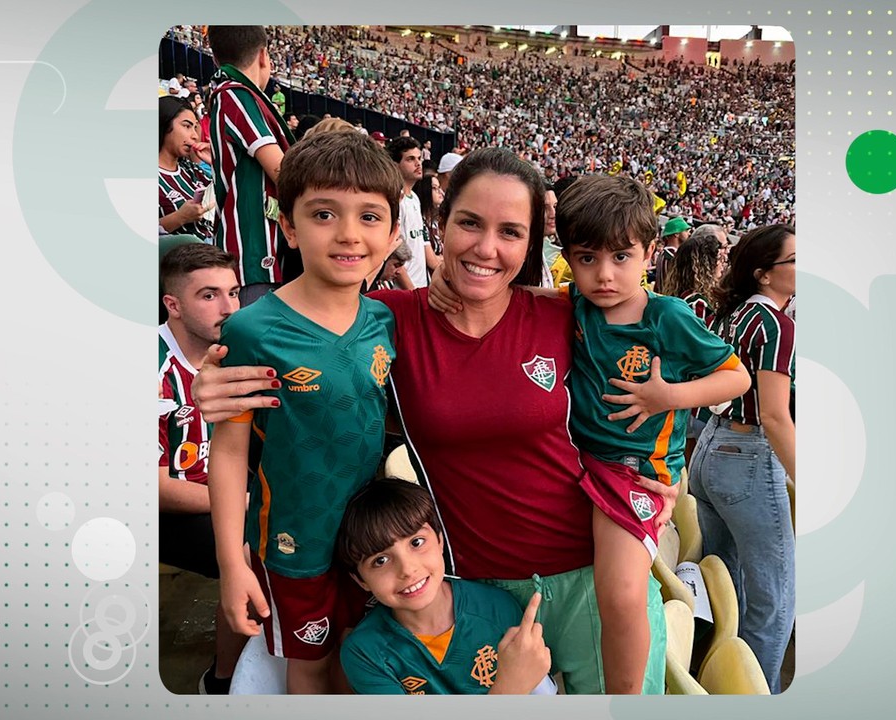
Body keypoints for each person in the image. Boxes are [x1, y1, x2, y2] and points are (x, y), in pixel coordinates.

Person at [195, 149, 679, 694]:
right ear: (440, 222)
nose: (486, 248)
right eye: (470, 223)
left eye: (511, 232)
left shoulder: (569, 315)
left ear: (531, 245)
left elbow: (658, 360)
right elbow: (302, 356)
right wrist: (209, 382)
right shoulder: (391, 318)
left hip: (590, 576)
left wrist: (663, 472)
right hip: (468, 591)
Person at [207, 131, 403, 694]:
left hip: (371, 540)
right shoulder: (252, 330)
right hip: (294, 543)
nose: (348, 234)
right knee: (309, 666)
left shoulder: (384, 321)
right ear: (288, 225)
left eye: (369, 217)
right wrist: (231, 562)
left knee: (360, 654)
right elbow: (229, 452)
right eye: (323, 214)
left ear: (392, 233)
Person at [550, 176, 749, 693]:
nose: (604, 274)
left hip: (638, 473)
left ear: (651, 254)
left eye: (621, 257)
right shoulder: (576, 304)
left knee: (620, 595)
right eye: (587, 258)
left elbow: (736, 377)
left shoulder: (667, 315)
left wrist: (667, 397)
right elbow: (534, 296)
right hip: (583, 464)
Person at [688, 223, 796, 694]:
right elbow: (773, 416)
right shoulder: (776, 324)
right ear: (766, 274)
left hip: (711, 448)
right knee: (774, 600)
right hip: (748, 454)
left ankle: (717, 678)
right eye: (795, 260)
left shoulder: (738, 314)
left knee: (726, 582)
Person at [335, 478, 553, 695]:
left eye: (416, 542)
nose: (408, 569)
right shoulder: (365, 652)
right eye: (380, 560)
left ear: (440, 539)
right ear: (360, 579)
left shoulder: (495, 607)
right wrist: (509, 690)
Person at [158, 242, 247, 694]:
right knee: (252, 550)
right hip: (167, 510)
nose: (230, 307)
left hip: (223, 486)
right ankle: (222, 682)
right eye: (209, 295)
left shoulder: (235, 347)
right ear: (172, 305)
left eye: (233, 292)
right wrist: (243, 501)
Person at [205, 26, 294, 306]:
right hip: (255, 253)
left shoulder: (234, 94)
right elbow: (283, 172)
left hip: (266, 254)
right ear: (264, 55)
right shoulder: (234, 94)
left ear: (216, 59)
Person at [158, 96, 215, 242]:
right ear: (164, 124)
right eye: (187, 126)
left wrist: (216, 163)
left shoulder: (191, 169)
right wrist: (180, 217)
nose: (195, 136)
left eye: (195, 128)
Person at [386, 136, 436, 288]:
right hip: (403, 291)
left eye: (419, 158)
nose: (418, 163)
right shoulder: (395, 200)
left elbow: (422, 244)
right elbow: (395, 252)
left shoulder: (414, 198)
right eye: (410, 159)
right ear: (395, 165)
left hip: (421, 285)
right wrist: (411, 291)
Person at [662, 224, 727, 325]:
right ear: (705, 266)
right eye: (718, 259)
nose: (721, 263)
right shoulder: (697, 304)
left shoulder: (681, 294)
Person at [411, 173, 444, 271]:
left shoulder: (434, 222)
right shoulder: (421, 221)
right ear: (425, 191)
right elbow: (432, 261)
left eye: (439, 188)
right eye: (434, 188)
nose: (440, 192)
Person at [653, 217, 690, 295]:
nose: (688, 234)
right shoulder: (671, 256)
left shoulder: (664, 253)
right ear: (676, 234)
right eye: (686, 230)